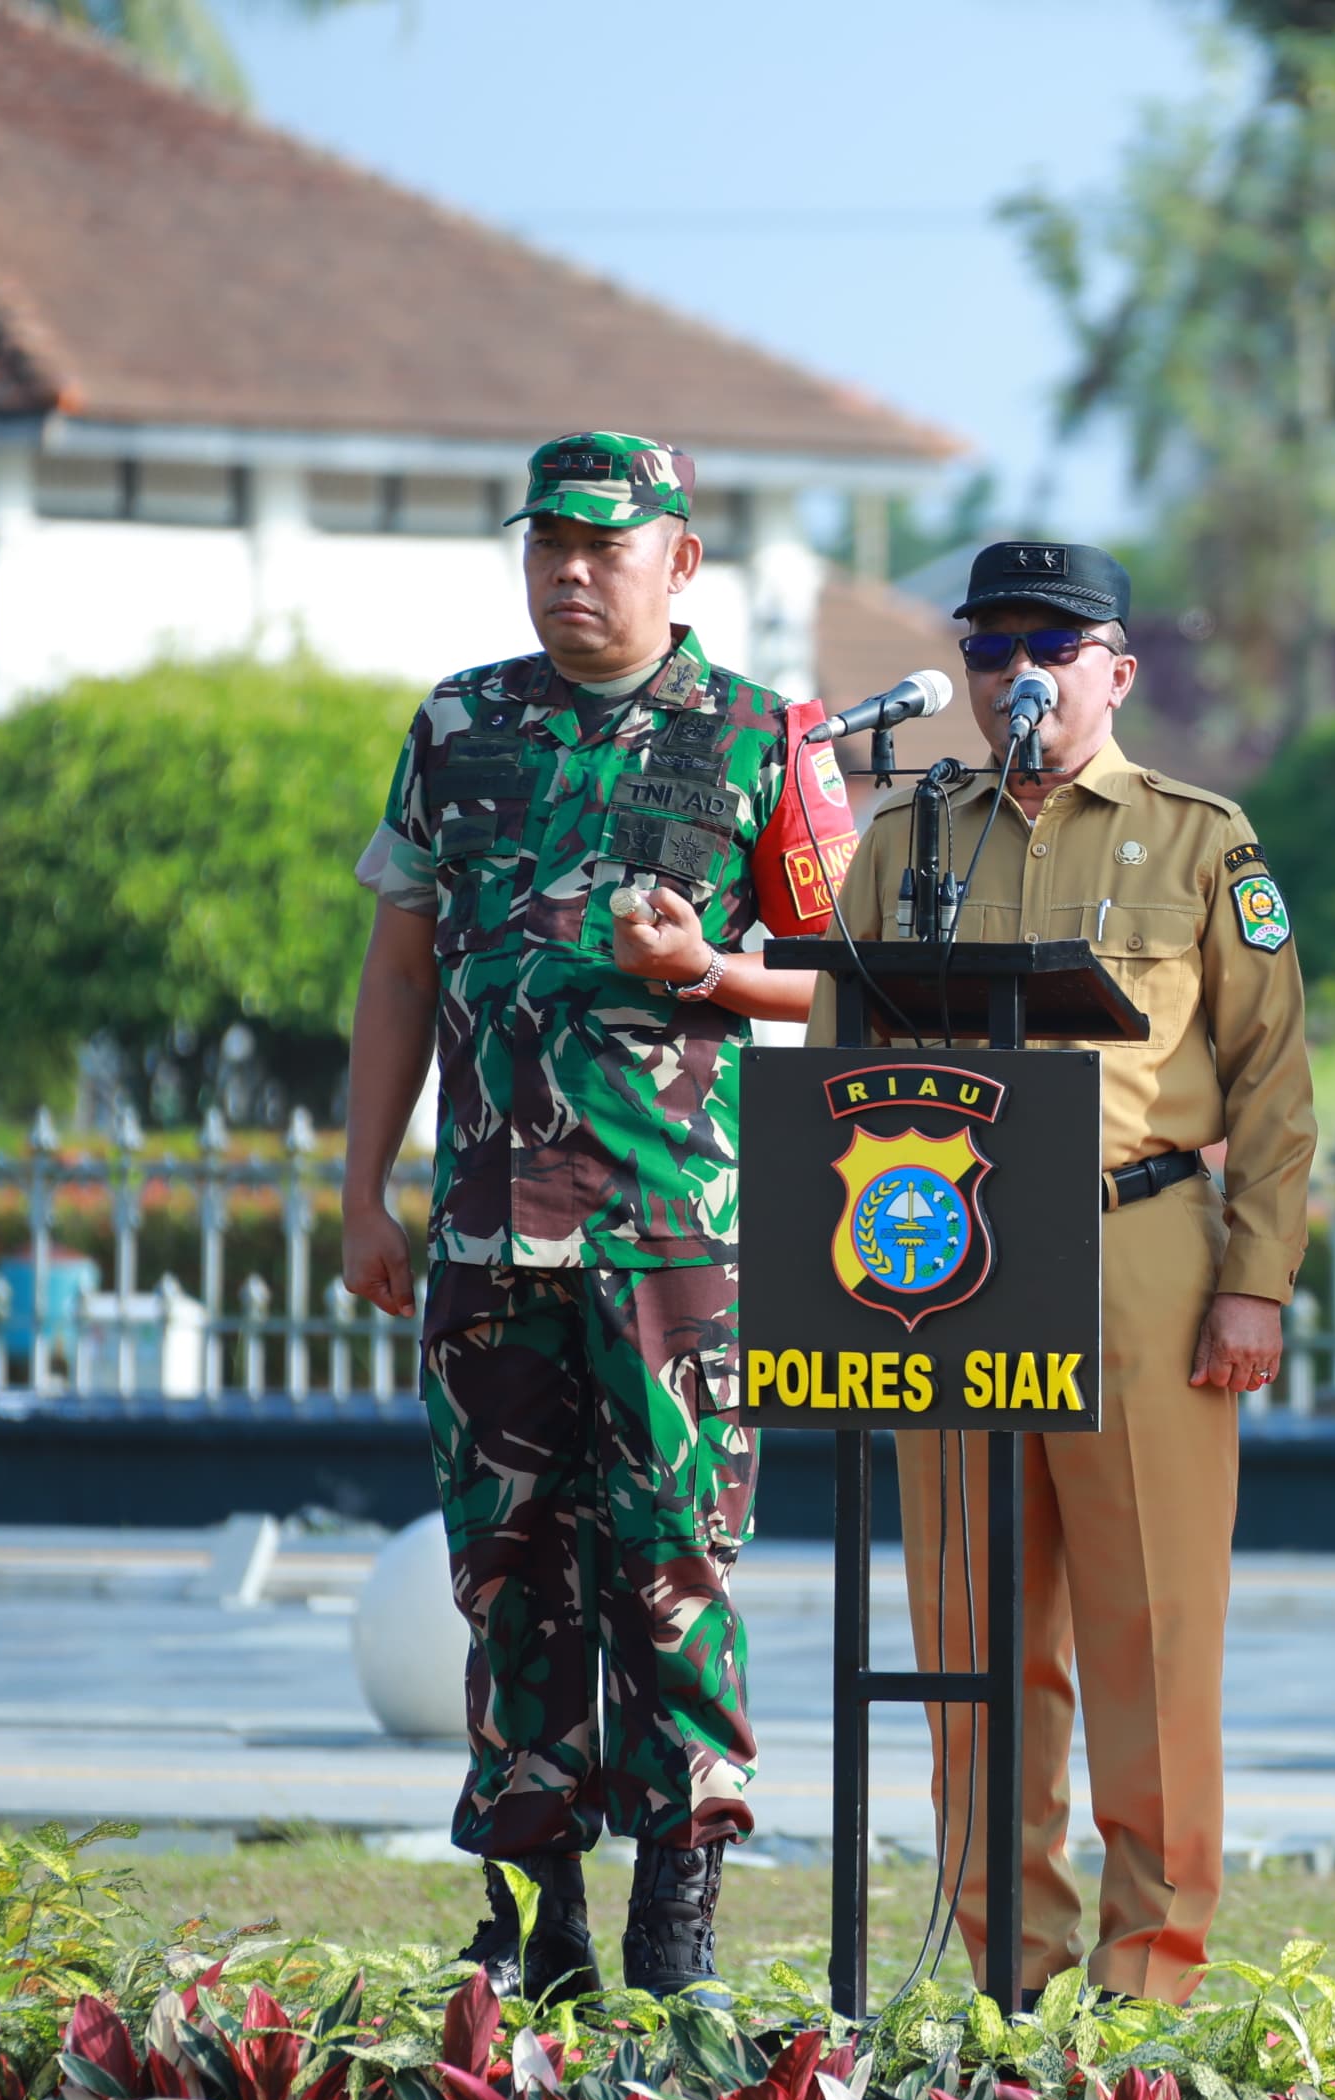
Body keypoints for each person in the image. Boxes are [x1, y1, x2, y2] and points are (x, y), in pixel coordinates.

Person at [340, 431, 859, 2005]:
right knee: (507, 1577)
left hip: (676, 1242)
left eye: (603, 547)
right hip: (489, 1231)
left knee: (672, 1564)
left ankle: (677, 1911)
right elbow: (400, 971)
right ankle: (532, 1913)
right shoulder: (460, 725)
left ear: (680, 561)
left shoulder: (769, 736)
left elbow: (851, 989)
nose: (570, 574)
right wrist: (363, 1185)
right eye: (547, 546)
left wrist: (703, 970)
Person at [809, 539, 1317, 2006]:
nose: (1015, 674)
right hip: (937, 1254)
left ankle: (1147, 1977)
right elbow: (841, 1048)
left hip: (1137, 1240)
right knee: (971, 1634)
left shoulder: (1199, 836)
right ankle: (1008, 1974)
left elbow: (1275, 1083)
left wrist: (1255, 1281)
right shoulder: (910, 842)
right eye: (989, 648)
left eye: (1052, 645)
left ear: (1117, 670)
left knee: (1151, 1629)